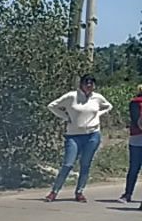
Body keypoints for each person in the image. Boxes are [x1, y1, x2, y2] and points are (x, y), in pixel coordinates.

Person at [45, 74, 112, 203]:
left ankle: (79, 192)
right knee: (68, 164)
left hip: (92, 134)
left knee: (85, 164)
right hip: (74, 136)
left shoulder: (97, 98)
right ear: (81, 84)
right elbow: (52, 106)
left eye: (91, 83)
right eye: (86, 82)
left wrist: (98, 114)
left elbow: (109, 106)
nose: (89, 85)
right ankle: (54, 191)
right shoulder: (71, 96)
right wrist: (65, 117)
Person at [122, 83, 142, 203]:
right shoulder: (136, 103)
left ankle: (127, 194)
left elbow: (135, 121)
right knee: (134, 168)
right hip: (137, 140)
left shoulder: (134, 103)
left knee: (133, 169)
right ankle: (127, 194)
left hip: (136, 139)